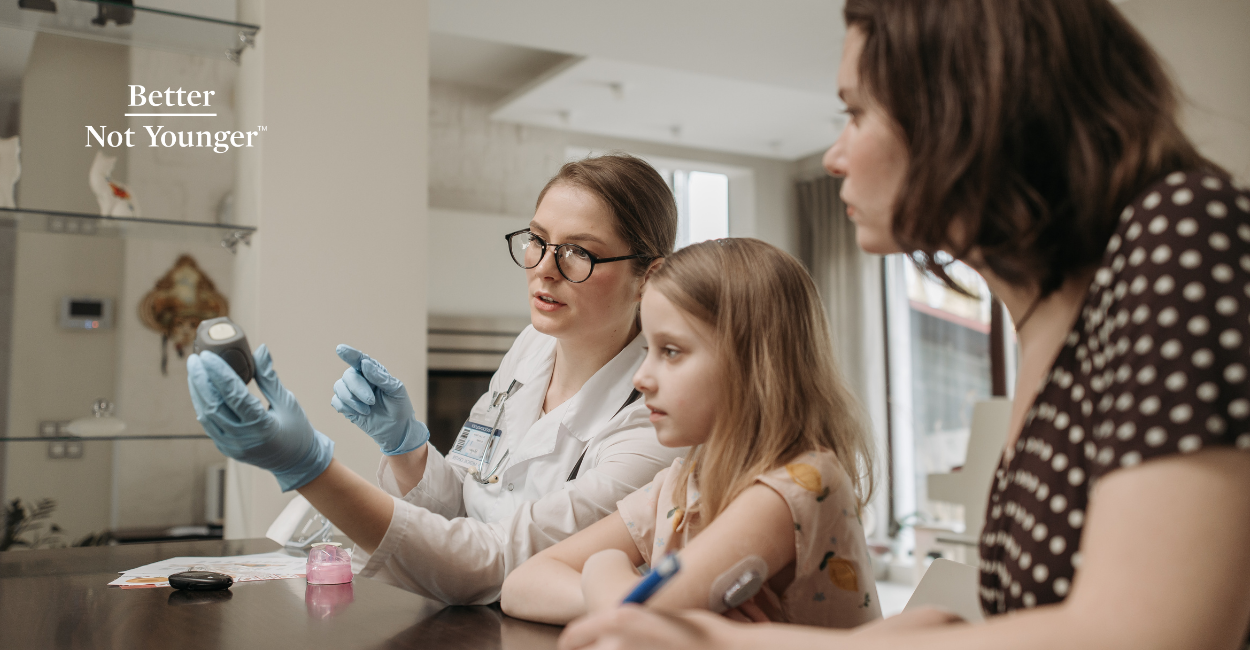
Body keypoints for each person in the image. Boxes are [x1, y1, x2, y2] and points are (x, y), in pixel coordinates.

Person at [555, 0, 1250, 648]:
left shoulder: (1185, 230)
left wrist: (738, 641)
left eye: (855, 113)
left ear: (964, 110)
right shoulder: (1049, 318)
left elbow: (1157, 630)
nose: (834, 156)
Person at [186, 153, 689, 603]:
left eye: (579, 251)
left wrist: (310, 468)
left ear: (649, 276)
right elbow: (468, 506)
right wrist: (407, 447)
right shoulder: (533, 346)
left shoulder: (656, 424)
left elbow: (495, 562)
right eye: (537, 240)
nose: (544, 269)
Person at [501, 238, 881, 628]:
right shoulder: (682, 485)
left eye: (671, 351)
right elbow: (520, 585)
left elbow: (642, 620)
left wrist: (605, 568)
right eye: (649, 348)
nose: (641, 377)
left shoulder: (798, 485)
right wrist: (618, 590)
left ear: (751, 363)